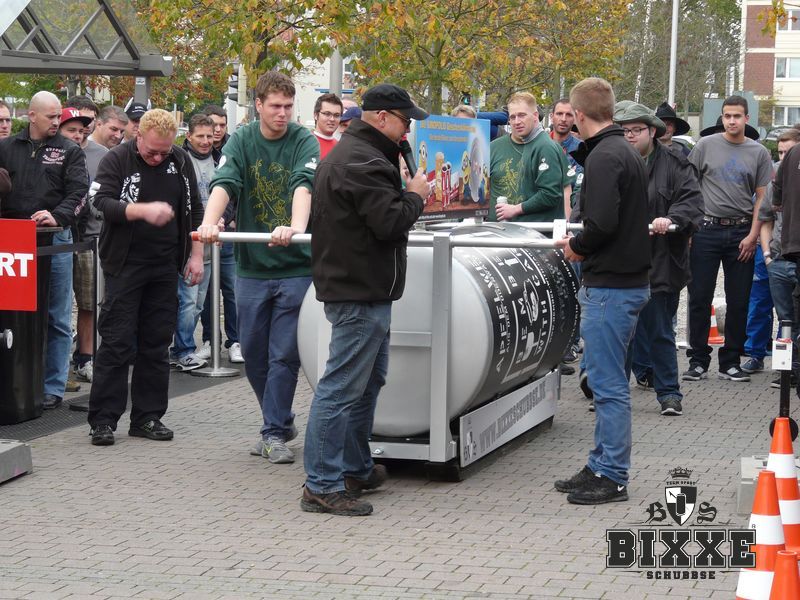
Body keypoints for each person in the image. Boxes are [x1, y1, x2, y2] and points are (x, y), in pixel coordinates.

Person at [301, 83, 429, 516]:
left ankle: (354, 467)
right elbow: (389, 222)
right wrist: (416, 195)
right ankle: (322, 484)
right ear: (381, 117)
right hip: (357, 290)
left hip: (363, 287)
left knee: (366, 382)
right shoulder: (363, 161)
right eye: (405, 120)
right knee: (341, 388)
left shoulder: (364, 155)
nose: (408, 129)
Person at [197, 71, 319, 464]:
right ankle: (279, 420)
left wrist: (295, 228)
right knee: (252, 352)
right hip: (252, 268)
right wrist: (209, 222)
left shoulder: (303, 140)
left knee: (283, 354)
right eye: (276, 106)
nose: (283, 113)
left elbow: (303, 184)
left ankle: (273, 433)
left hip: (295, 268)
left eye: (288, 106)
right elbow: (225, 182)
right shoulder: (242, 139)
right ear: (259, 105)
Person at [554, 78, 651, 505]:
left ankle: (611, 474)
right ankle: (599, 464)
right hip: (619, 281)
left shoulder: (605, 157)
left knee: (608, 386)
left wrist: (576, 245)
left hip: (612, 284)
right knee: (604, 381)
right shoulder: (622, 151)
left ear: (578, 115)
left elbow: (603, 223)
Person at [87, 109, 204, 446]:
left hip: (165, 264)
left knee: (156, 343)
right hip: (125, 264)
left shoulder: (179, 160)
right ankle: (103, 420)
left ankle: (147, 417)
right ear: (137, 135)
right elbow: (99, 201)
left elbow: (195, 209)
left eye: (163, 152)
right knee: (117, 341)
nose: (157, 158)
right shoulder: (118, 159)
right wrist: (141, 210)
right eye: (152, 151)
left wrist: (196, 254)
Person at [0, 91, 89, 410]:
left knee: (57, 315)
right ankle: (17, 382)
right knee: (13, 314)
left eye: (58, 116)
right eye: (51, 116)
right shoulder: (6, 148)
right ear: (32, 116)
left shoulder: (69, 150)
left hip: (56, 237)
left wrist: (58, 216)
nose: (57, 121)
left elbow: (79, 193)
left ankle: (52, 385)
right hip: (13, 240)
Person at [614, 102, 703, 416]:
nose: (629, 136)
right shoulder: (611, 161)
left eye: (636, 130)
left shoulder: (676, 163)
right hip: (619, 262)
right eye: (624, 130)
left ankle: (669, 394)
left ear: (652, 131)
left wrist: (671, 218)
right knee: (619, 333)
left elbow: (691, 201)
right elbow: (590, 202)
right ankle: (612, 394)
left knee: (660, 331)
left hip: (661, 261)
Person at [683, 96, 773, 383]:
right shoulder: (704, 146)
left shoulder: (759, 152)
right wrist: (690, 228)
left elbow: (763, 199)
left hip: (741, 233)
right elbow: (688, 188)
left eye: (736, 116)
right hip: (706, 230)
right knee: (699, 297)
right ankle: (698, 360)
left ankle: (731, 362)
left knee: (739, 300)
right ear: (721, 118)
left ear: (746, 118)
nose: (731, 121)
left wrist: (753, 236)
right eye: (727, 116)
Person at [170, 114, 218, 371]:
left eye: (209, 136)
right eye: (200, 136)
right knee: (187, 300)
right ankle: (183, 349)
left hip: (212, 243)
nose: (206, 141)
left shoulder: (219, 159)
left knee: (198, 302)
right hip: (190, 242)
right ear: (188, 136)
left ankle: (183, 345)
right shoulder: (179, 160)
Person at [197, 104, 241, 363]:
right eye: (213, 125)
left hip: (228, 232)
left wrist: (225, 218)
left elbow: (234, 190)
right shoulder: (193, 153)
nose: (217, 130)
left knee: (232, 290)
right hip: (204, 232)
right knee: (206, 293)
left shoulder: (232, 150)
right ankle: (209, 339)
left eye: (222, 125)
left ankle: (235, 341)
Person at [64, 96, 103, 383]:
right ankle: (57, 361)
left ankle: (85, 358)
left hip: (89, 240)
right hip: (58, 239)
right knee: (59, 306)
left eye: (83, 128)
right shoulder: (52, 152)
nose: (79, 134)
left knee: (88, 302)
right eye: (73, 129)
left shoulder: (102, 154)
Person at [489, 92, 565, 223]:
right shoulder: (531, 142)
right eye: (512, 117)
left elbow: (550, 194)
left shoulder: (544, 146)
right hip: (521, 231)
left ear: (535, 116)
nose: (516, 122)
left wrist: (515, 209)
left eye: (522, 115)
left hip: (539, 232)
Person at [762, 129, 800, 388]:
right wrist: (768, 256)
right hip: (779, 258)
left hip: (794, 256)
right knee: (785, 321)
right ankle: (786, 372)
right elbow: (765, 217)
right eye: (781, 153)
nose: (783, 157)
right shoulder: (776, 180)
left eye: (789, 152)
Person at [312, 92, 343, 158]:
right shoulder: (305, 144)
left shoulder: (340, 148)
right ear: (315, 115)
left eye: (336, 115)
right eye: (327, 114)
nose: (332, 119)